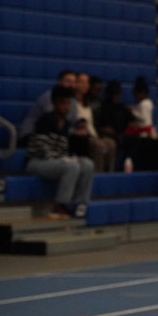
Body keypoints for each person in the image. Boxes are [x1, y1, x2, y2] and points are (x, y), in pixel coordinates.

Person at [25, 84, 94, 219]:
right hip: (37, 162)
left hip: (56, 162)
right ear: (55, 104)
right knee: (71, 166)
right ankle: (59, 205)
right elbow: (41, 148)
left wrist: (70, 158)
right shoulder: (45, 120)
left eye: (68, 103)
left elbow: (63, 150)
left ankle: (80, 204)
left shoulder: (66, 124)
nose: (67, 107)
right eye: (63, 103)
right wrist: (65, 160)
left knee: (87, 164)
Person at [19, 69, 77, 143]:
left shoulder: (73, 101)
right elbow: (53, 122)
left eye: (73, 82)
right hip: (34, 134)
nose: (71, 85)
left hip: (55, 137)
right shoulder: (50, 97)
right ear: (60, 81)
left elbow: (72, 122)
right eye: (68, 81)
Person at [74, 71, 116, 173]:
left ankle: (109, 174)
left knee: (111, 143)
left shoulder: (87, 103)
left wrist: (96, 137)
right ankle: (98, 174)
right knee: (98, 145)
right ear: (75, 83)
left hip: (90, 135)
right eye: (81, 82)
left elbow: (90, 124)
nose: (84, 85)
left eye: (86, 82)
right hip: (78, 136)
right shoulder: (71, 102)